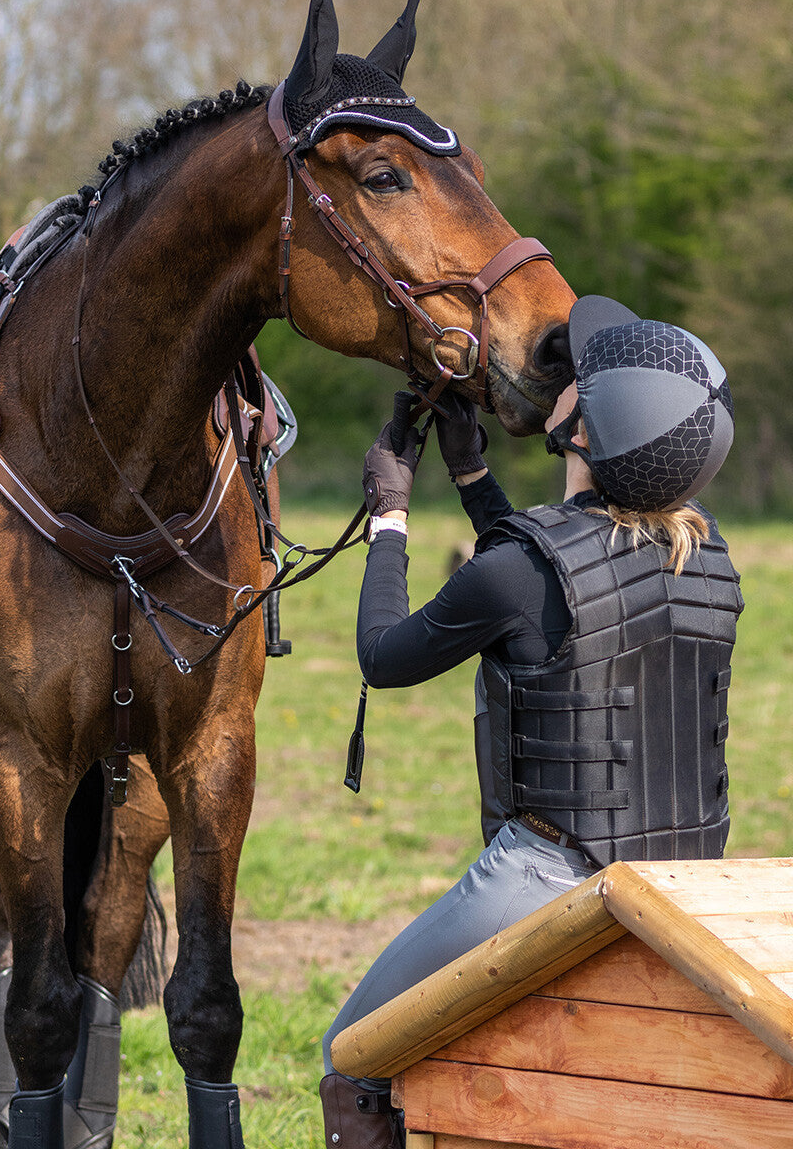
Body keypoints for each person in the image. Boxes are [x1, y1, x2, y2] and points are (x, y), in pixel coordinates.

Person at [318, 294, 744, 1149]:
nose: (561, 378)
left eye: (576, 380)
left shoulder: (516, 571)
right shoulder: (708, 556)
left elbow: (383, 656)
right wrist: (475, 480)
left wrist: (391, 517)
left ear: (584, 428)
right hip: (684, 879)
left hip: (555, 874)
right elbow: (560, 586)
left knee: (353, 1056)